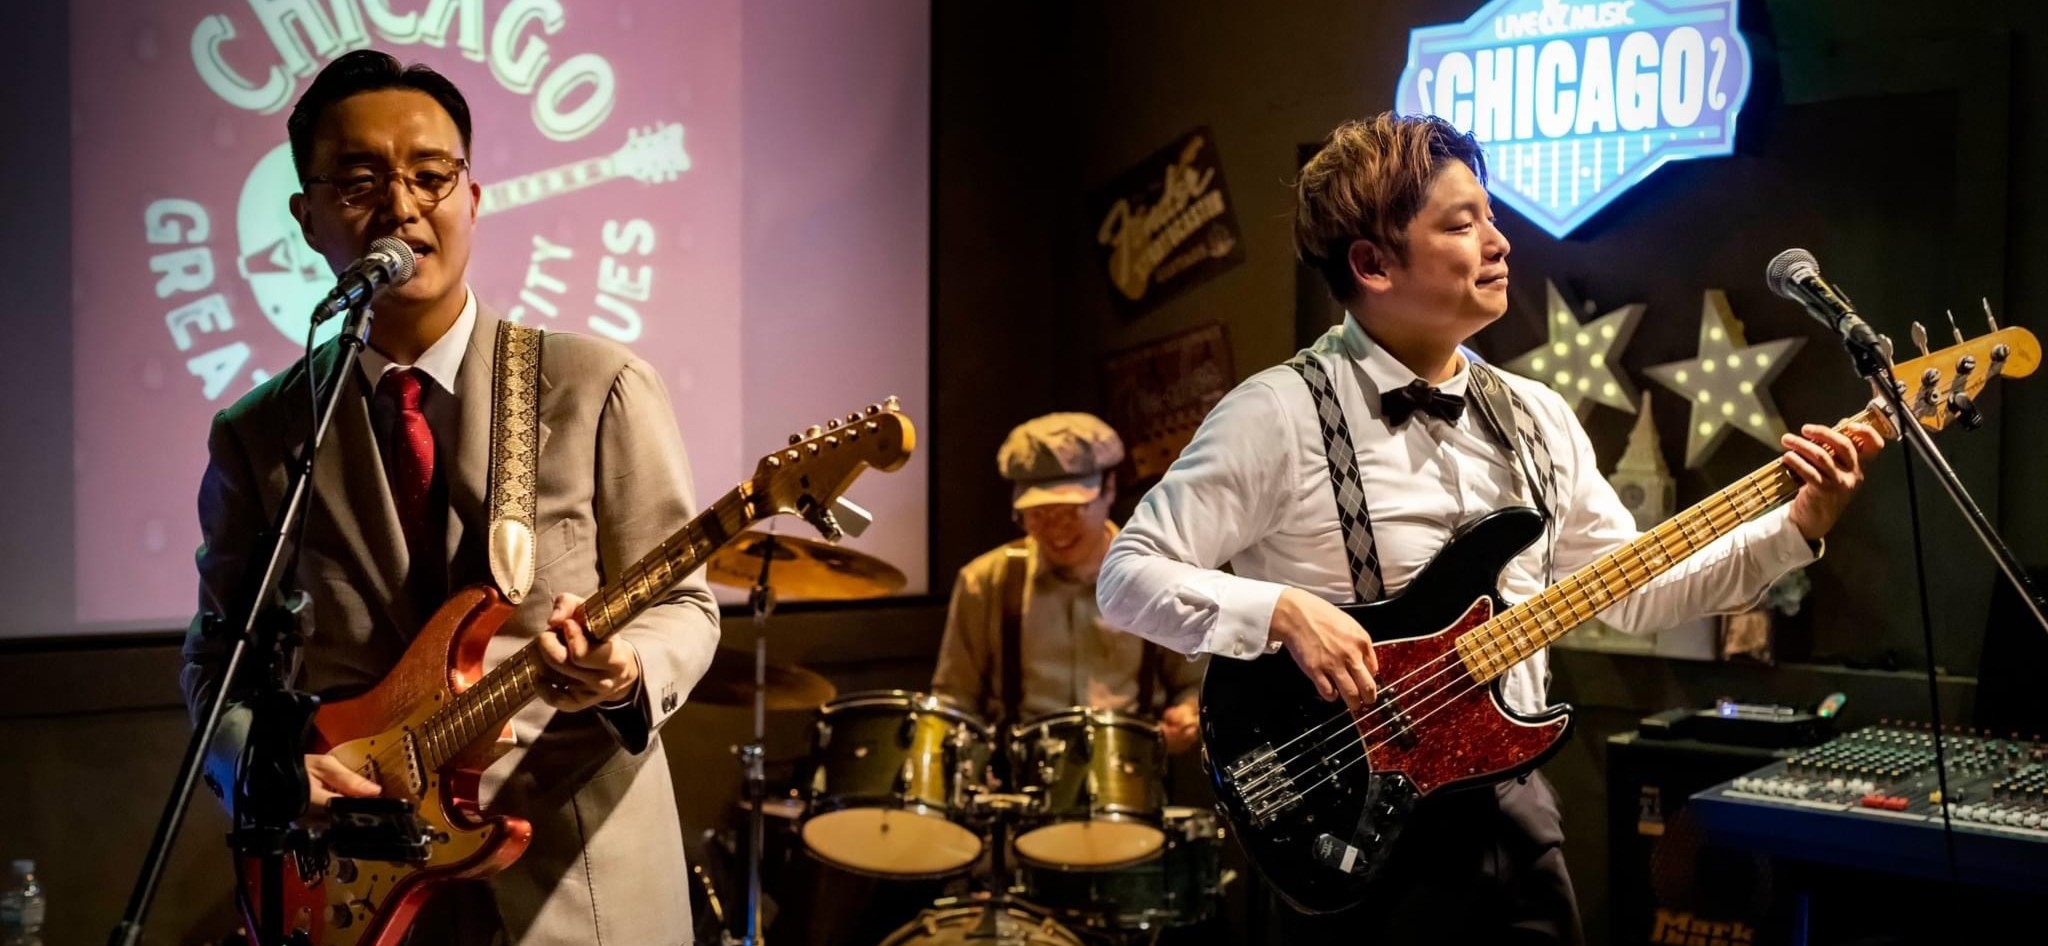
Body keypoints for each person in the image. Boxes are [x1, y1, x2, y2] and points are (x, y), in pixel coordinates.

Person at [1096, 113, 1881, 944]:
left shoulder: (1536, 414)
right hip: (1351, 828)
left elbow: (1632, 586)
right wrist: (1282, 612)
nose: (1500, 241)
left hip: (1513, 810)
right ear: (1371, 263)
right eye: (1461, 223)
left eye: (1492, 216)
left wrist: (1793, 530)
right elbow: (1128, 576)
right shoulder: (1276, 414)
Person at [179, 50, 720, 945]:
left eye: (431, 176)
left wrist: (626, 669)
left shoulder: (598, 387)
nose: (400, 206)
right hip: (356, 886)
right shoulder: (261, 432)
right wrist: (260, 765)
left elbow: (688, 607)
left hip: (576, 882)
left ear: (472, 199)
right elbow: (215, 661)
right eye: (359, 181)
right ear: (307, 220)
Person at [933, 413, 1204, 753]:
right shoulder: (984, 582)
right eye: (1039, 514)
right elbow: (954, 700)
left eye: (1071, 511)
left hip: (1132, 778)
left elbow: (1194, 686)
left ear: (1109, 489)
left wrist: (1187, 715)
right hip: (1018, 789)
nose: (1056, 528)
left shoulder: (1158, 575)